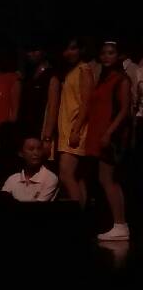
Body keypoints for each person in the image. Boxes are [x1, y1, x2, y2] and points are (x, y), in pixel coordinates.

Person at [86, 40, 132, 241]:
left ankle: (120, 224)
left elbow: (124, 111)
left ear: (118, 55)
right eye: (103, 53)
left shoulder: (121, 80)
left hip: (111, 136)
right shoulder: (104, 78)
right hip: (100, 134)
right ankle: (118, 224)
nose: (106, 56)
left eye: (111, 53)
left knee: (108, 179)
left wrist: (108, 133)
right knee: (105, 179)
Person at [55, 36, 95, 207]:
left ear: (81, 50)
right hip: (67, 128)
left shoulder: (84, 70)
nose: (69, 53)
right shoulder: (72, 71)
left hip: (75, 129)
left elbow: (86, 103)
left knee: (66, 173)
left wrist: (76, 130)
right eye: (66, 49)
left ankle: (76, 215)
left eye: (73, 48)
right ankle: (82, 216)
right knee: (77, 177)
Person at [1, 136, 59, 202]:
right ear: (21, 153)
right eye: (31, 149)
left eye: (39, 149)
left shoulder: (50, 177)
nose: (36, 153)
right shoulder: (12, 179)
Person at [19, 39, 55, 145]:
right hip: (26, 130)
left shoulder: (50, 76)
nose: (31, 54)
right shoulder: (28, 76)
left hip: (41, 130)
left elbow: (52, 108)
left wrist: (47, 137)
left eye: (35, 50)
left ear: (43, 51)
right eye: (29, 51)